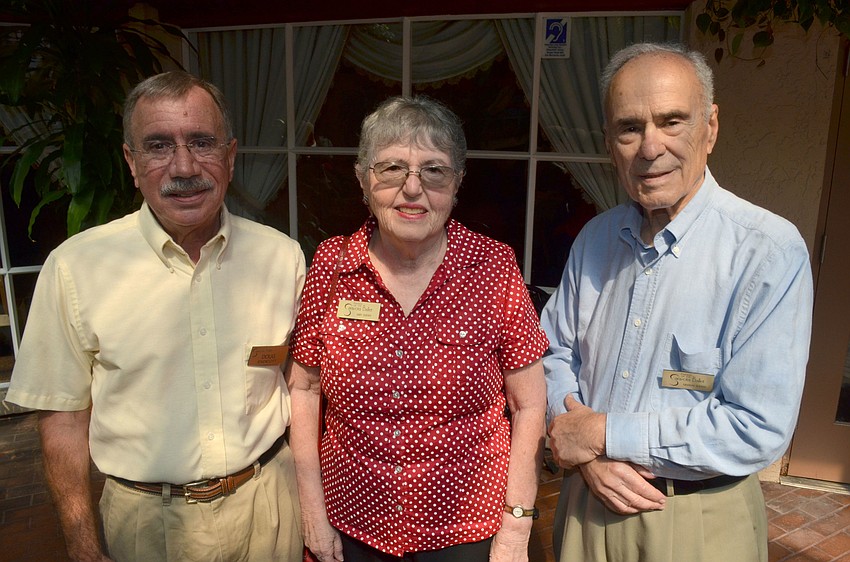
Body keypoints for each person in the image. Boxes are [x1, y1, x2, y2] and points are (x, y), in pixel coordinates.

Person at [5, 71, 306, 561]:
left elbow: (301, 384)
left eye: (202, 142)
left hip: (270, 510)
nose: (183, 166)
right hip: (148, 527)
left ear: (230, 157)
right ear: (131, 160)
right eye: (159, 145)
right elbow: (62, 418)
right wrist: (81, 544)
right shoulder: (77, 269)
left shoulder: (281, 257)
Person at [541, 42, 813, 562]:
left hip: (697, 523)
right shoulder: (595, 239)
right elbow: (553, 354)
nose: (650, 147)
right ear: (608, 140)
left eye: (672, 121)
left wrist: (602, 435)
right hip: (586, 504)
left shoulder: (767, 252)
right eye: (629, 127)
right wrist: (586, 455)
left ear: (709, 127)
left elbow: (756, 426)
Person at [287, 95, 548, 562]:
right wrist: (313, 509)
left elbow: (529, 404)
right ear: (364, 179)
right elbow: (305, 390)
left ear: (457, 183)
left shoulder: (493, 266)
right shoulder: (331, 264)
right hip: (351, 524)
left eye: (434, 171)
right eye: (391, 169)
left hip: (469, 530)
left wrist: (516, 525)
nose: (412, 189)